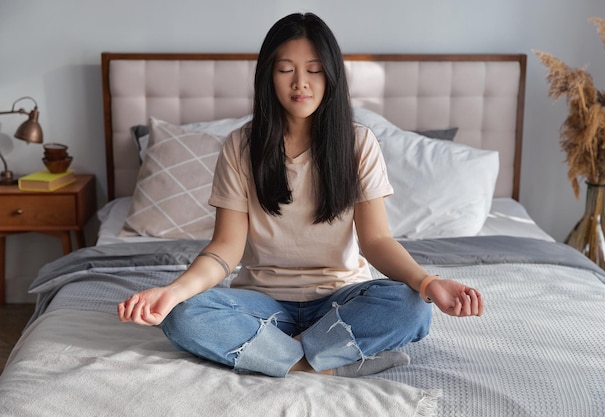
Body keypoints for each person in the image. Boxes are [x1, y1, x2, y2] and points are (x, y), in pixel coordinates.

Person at [118, 12, 483, 378]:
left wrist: (426, 282)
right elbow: (226, 247)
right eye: (285, 69)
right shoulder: (240, 146)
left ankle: (275, 356)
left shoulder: (358, 144)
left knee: (411, 306)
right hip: (262, 304)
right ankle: (331, 361)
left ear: (331, 75)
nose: (300, 83)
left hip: (341, 300)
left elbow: (376, 240)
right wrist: (175, 291)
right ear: (268, 76)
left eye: (314, 69)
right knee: (184, 314)